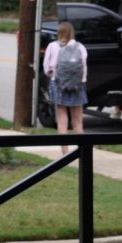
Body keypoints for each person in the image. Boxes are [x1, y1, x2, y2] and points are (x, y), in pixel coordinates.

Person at [43, 21, 88, 154]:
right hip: (77, 85)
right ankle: (82, 152)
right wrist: (82, 81)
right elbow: (84, 66)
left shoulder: (52, 46)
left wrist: (53, 75)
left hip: (58, 84)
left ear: (59, 33)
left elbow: (46, 68)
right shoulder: (80, 47)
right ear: (71, 33)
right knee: (78, 121)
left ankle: (65, 153)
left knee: (62, 120)